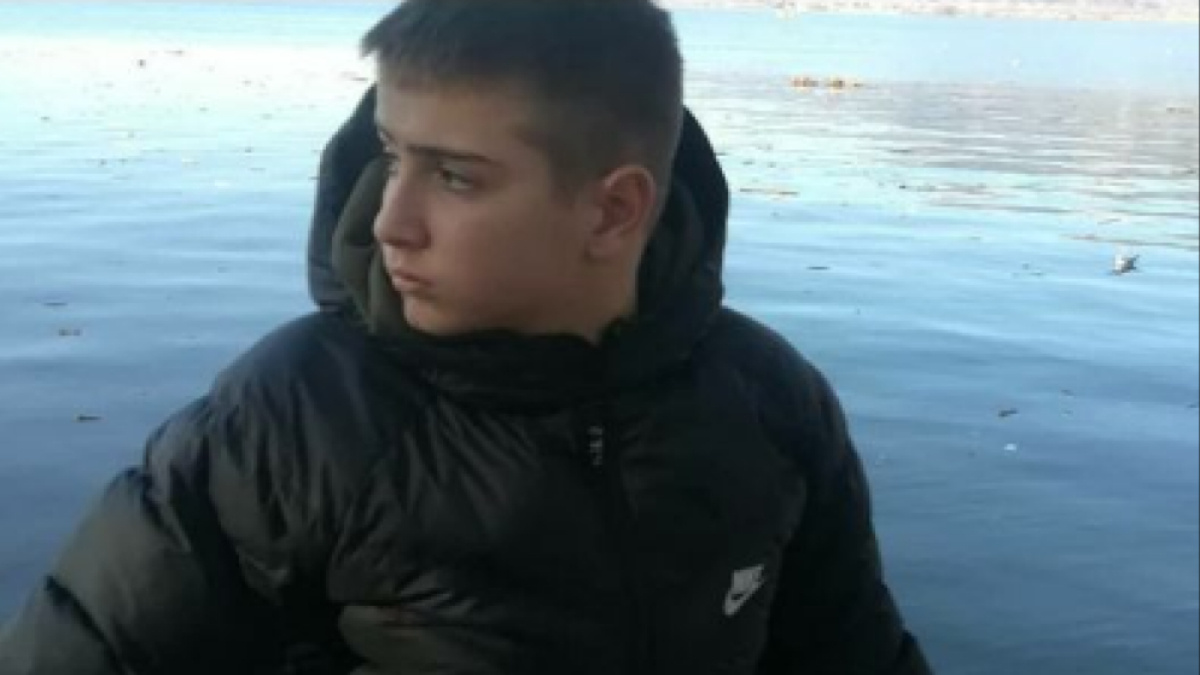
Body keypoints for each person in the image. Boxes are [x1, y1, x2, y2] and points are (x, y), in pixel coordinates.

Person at [0, 1, 933, 673]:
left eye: (453, 176)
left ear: (614, 210)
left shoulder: (768, 402)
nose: (389, 220)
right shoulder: (296, 415)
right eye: (392, 156)